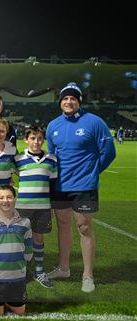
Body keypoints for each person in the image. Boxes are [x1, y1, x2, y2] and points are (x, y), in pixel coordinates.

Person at [46, 82, 116, 293]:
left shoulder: (94, 122)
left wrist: (92, 172)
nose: (69, 102)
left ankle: (87, 275)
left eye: (73, 98)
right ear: (60, 102)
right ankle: (64, 268)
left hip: (84, 185)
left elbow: (109, 153)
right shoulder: (53, 126)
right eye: (65, 99)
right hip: (60, 184)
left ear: (79, 101)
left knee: (84, 227)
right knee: (63, 224)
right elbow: (52, 156)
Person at [14, 126, 58, 288]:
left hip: (43, 207)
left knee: (39, 238)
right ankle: (22, 270)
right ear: (26, 140)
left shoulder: (51, 160)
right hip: (23, 207)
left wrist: (52, 206)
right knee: (22, 238)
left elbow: (53, 185)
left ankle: (39, 271)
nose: (36, 142)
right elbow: (11, 175)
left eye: (40, 138)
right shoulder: (18, 159)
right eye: (33, 138)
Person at [0, 185, 32, 316]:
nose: (6, 201)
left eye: (9, 197)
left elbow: (28, 247)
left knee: (20, 312)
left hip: (17, 276)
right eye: (1, 197)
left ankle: (6, 301)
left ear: (15, 199)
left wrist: (24, 262)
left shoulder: (25, 222)